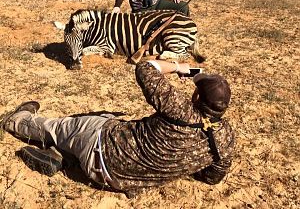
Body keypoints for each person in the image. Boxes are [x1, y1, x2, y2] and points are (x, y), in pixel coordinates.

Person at [0, 60, 235, 198]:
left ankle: (17, 120)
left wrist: (177, 66)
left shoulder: (178, 108)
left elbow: (145, 67)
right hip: (122, 183)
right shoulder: (225, 139)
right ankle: (61, 157)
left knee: (62, 127)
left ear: (196, 96)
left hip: (101, 147)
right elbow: (212, 178)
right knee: (108, 119)